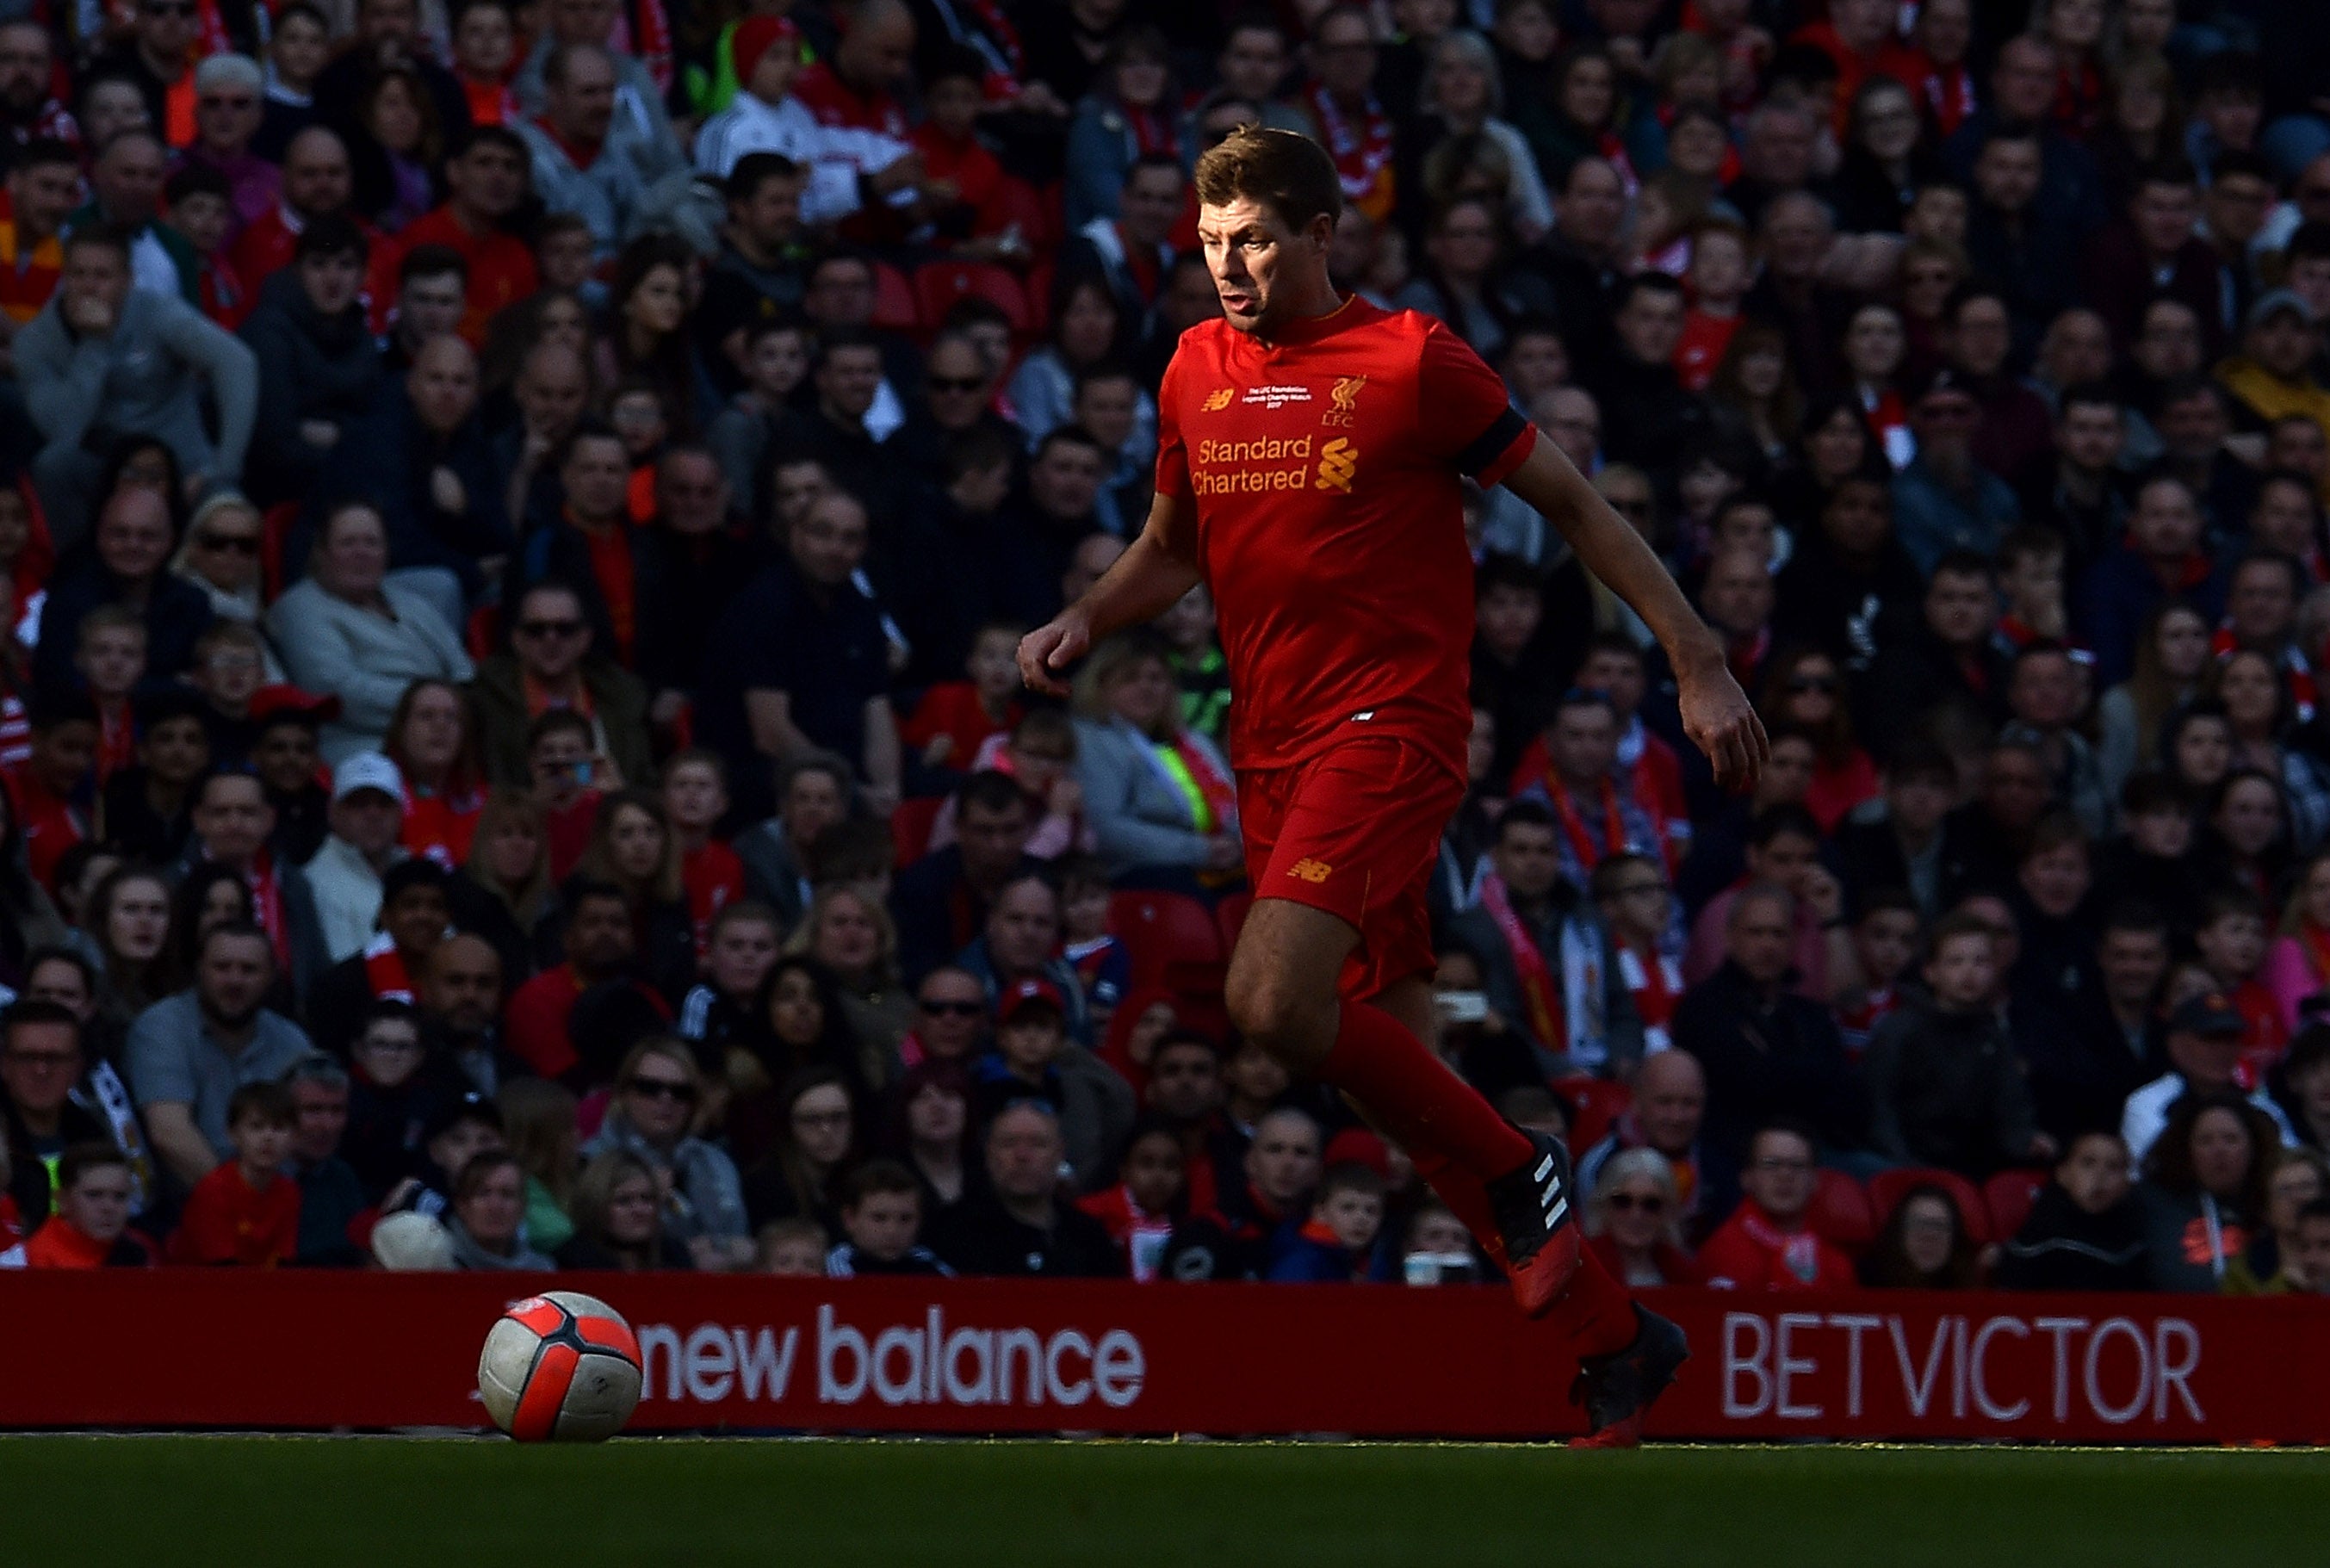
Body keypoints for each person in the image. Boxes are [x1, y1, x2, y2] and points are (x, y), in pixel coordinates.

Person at [1015, 127, 1762, 1443]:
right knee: (1386, 1070)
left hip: (1390, 729)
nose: (1228, 265)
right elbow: (1169, 547)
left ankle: (1522, 1168)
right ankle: (1614, 1338)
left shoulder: (1413, 362)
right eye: (1208, 243)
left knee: (1264, 996)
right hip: (1271, 750)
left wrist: (1695, 658)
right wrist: (1087, 617)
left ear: (1319, 234)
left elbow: (1580, 509)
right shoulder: (1194, 367)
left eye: (1251, 239)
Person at [17, 226, 257, 546]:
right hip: (104, 467)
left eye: (102, 276)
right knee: (54, 465)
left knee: (229, 512)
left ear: (128, 280)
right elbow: (62, 431)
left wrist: (224, 468)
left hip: (182, 466)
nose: (89, 287)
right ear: (63, 278)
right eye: (78, 274)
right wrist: (96, 345)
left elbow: (237, 362)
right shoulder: (35, 342)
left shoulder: (159, 313)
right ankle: (74, 573)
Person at [1447, 801, 1641, 1080]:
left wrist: (1622, 1060)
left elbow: (1622, 1007)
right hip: (1517, 1079)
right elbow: (1498, 1021)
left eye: (1544, 851)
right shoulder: (1472, 930)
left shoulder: (1590, 921)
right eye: (1520, 850)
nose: (1533, 861)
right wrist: (1566, 1072)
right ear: (1495, 856)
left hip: (1602, 1075)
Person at [267, 503, 474, 764]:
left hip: (445, 731)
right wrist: (435, 709)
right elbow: (341, 694)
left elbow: (463, 669)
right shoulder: (299, 609)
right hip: (365, 745)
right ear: (321, 553)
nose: (361, 552)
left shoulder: (411, 603)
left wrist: (450, 710)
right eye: (348, 543)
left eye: (372, 543)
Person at [123, 920, 312, 1192]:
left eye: (249, 970)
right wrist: (238, 1200)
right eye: (222, 967)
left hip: (278, 1204)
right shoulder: (161, 1027)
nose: (235, 980)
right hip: (182, 1209)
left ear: (272, 975)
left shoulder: (292, 1042)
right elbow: (169, 1132)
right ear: (200, 969)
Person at [1864, 911, 2054, 1177]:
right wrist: (1905, 1166)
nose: (1969, 972)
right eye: (1955, 962)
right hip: (1908, 1163)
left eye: (1980, 962)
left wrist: (2026, 1141)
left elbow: (2010, 1104)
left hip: (1973, 1167)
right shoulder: (1901, 1030)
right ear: (1931, 972)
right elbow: (1879, 1108)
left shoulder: (1992, 1035)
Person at [582, 1037, 753, 1271]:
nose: (666, 1099)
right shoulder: (592, 1160)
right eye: (649, 1088)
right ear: (623, 1093)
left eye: (681, 1091)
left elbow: (744, 1245)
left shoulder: (716, 1161)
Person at [926, 1100, 1123, 1278]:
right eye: (1009, 1143)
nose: (1022, 1155)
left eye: (1038, 1144)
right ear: (989, 1154)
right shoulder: (950, 1234)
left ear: (1059, 1154)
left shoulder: (1089, 1238)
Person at [2139, 1089, 2279, 1292]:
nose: (2219, 1150)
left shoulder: (2278, 1202)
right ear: (2187, 1151)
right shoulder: (2153, 1204)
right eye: (2205, 1141)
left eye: (2231, 1139)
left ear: (2253, 1147)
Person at [1695, 1121, 1858, 1290]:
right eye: (1771, 1164)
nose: (1785, 1175)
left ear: (1815, 1180)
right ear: (1747, 1178)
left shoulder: (1836, 1264)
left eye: (1797, 1165)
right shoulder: (1724, 1252)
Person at [1995, 1129, 2149, 1291]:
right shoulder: (2035, 1244)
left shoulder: (2132, 1249)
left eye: (2113, 1167)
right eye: (2088, 1163)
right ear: (2063, 1173)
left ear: (2126, 1183)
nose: (2100, 1176)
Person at [168, 1078, 300, 1266]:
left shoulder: (289, 1192)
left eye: (279, 1127)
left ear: (294, 1137)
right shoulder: (213, 1192)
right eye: (257, 1126)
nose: (268, 1137)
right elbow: (222, 1269)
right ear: (233, 1134)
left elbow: (285, 1261)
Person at [21, 1143, 155, 1267]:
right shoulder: (31, 1258)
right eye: (94, 1195)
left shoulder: (139, 1250)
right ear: (63, 1200)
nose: (109, 1207)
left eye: (120, 1196)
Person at [1583, 1148, 1699, 1288]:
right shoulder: (1581, 1270)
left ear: (1667, 1211)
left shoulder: (1686, 1276)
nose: (1636, 1215)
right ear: (1604, 1205)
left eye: (1651, 1204)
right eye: (1623, 1202)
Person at [826, 1158, 951, 1277]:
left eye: (905, 1219)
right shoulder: (835, 1264)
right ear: (849, 1219)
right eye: (879, 1218)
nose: (892, 1231)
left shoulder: (928, 1262)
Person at [443, 1148, 556, 1269]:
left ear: (523, 1207)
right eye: (483, 1193)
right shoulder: (437, 1265)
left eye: (507, 1194)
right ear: (462, 1205)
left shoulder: (542, 1270)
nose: (495, 1206)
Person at [1860, 1183, 1985, 1289]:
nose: (1929, 1236)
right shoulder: (1865, 1283)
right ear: (1899, 1232)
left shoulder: (1970, 1289)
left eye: (1939, 1226)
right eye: (1918, 1224)